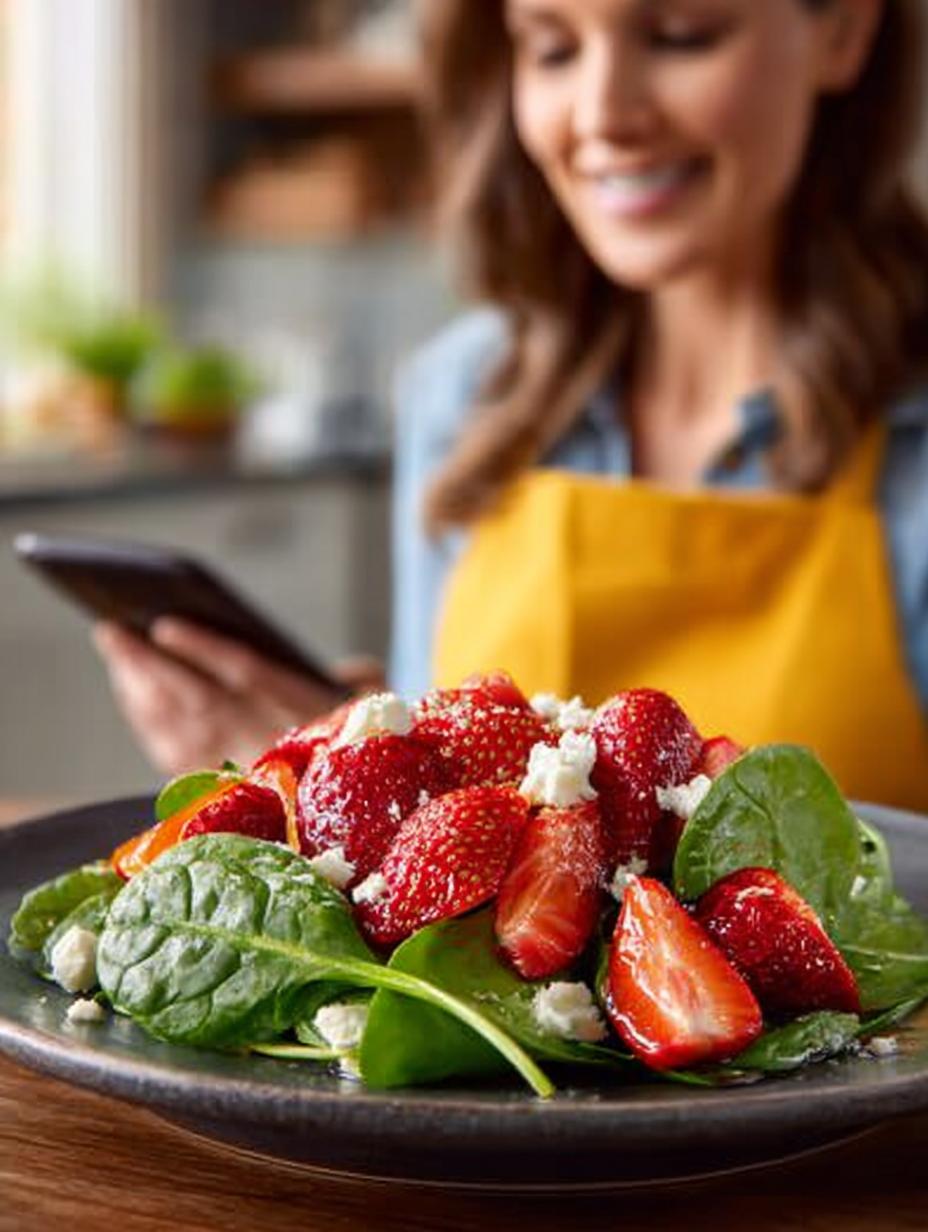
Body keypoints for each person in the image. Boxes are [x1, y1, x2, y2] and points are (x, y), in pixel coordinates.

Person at [96, 0, 928, 810]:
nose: (602, 114)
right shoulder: (463, 396)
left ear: (846, 29)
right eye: (553, 49)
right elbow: (447, 908)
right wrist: (324, 772)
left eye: (680, 36)